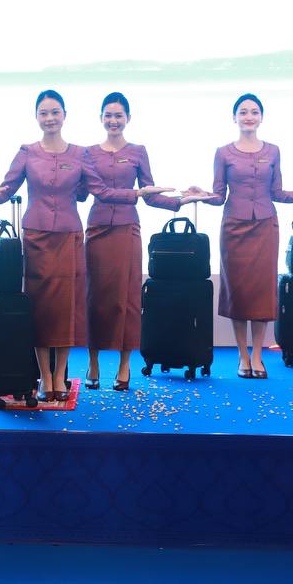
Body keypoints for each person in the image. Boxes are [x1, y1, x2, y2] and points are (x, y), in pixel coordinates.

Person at [0, 90, 164, 401]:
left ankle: (60, 376)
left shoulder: (80, 155)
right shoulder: (26, 152)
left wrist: (138, 194)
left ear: (65, 115)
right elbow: (5, 190)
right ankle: (44, 377)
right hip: (36, 237)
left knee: (66, 308)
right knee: (39, 307)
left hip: (70, 236)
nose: (50, 118)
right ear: (37, 116)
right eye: (44, 112)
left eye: (55, 112)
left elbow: (101, 191)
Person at [190, 94, 293, 379]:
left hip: (266, 227)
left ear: (261, 117)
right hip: (234, 228)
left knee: (262, 293)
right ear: (234, 118)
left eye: (254, 112)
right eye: (243, 112)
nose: (248, 117)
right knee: (239, 293)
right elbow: (219, 196)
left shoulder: (273, 151)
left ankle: (257, 354)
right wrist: (201, 195)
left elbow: (277, 193)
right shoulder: (223, 153)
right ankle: (242, 355)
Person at [84, 92, 203, 391]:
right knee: (95, 297)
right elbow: (84, 192)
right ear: (100, 118)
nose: (113, 120)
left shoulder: (138, 151)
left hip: (127, 229)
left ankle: (124, 365)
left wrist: (181, 201)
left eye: (118, 115)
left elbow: (149, 195)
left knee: (127, 298)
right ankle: (93, 362)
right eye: (108, 115)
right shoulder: (87, 153)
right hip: (97, 230)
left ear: (128, 118)